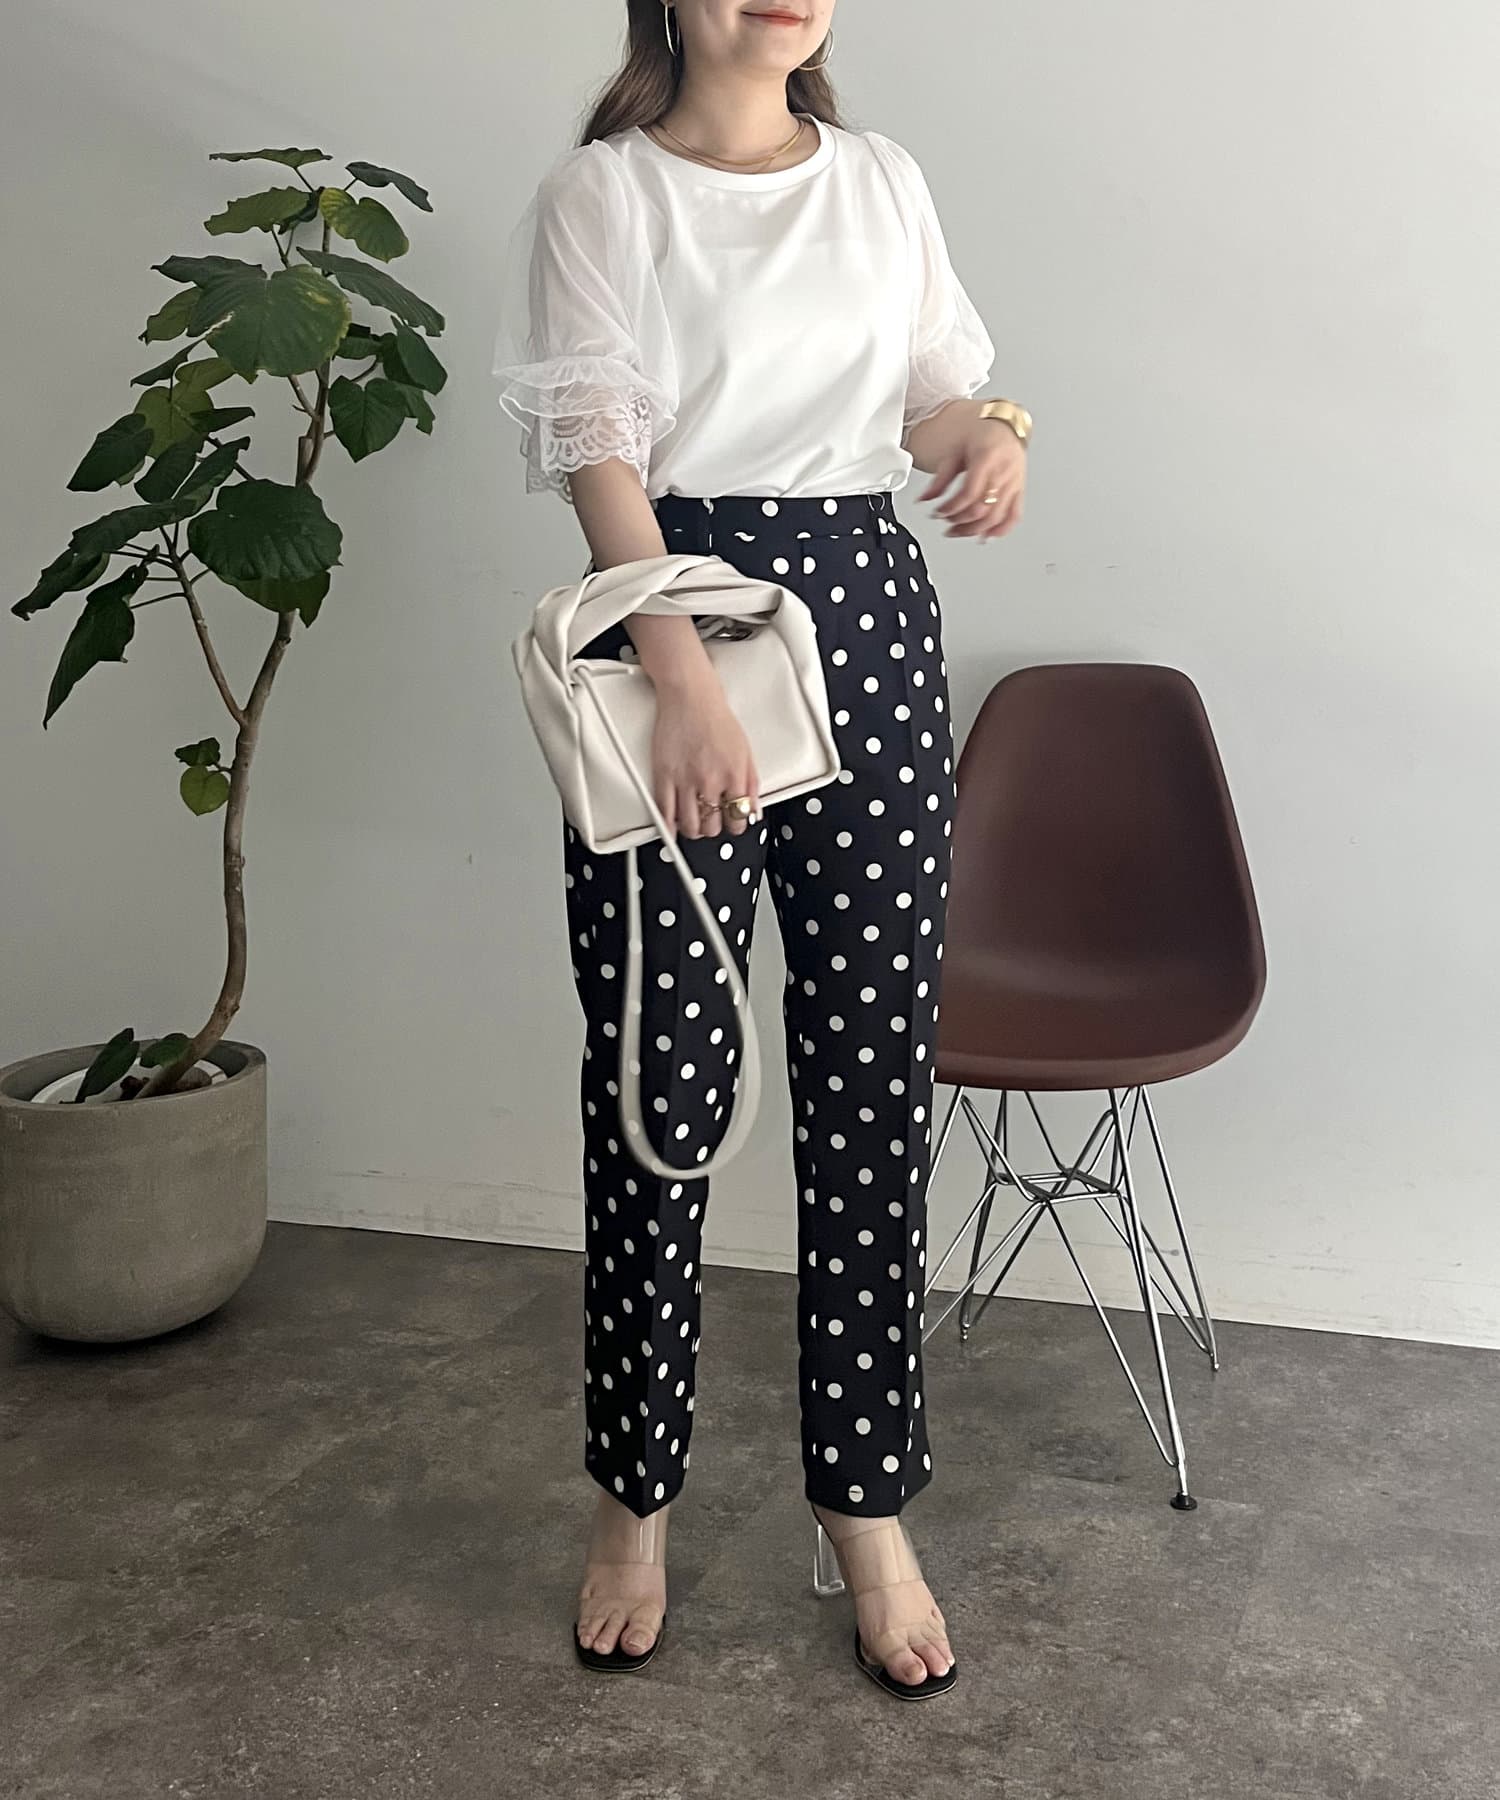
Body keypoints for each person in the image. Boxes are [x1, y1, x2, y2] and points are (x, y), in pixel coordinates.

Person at [491, 0, 1029, 1700]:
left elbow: (931, 401)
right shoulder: (605, 193)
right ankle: (631, 1497)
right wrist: (682, 675)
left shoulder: (881, 179)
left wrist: (990, 438)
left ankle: (865, 1507)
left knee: (873, 1073)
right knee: (660, 1077)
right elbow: (601, 454)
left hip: (868, 617)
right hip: (674, 614)